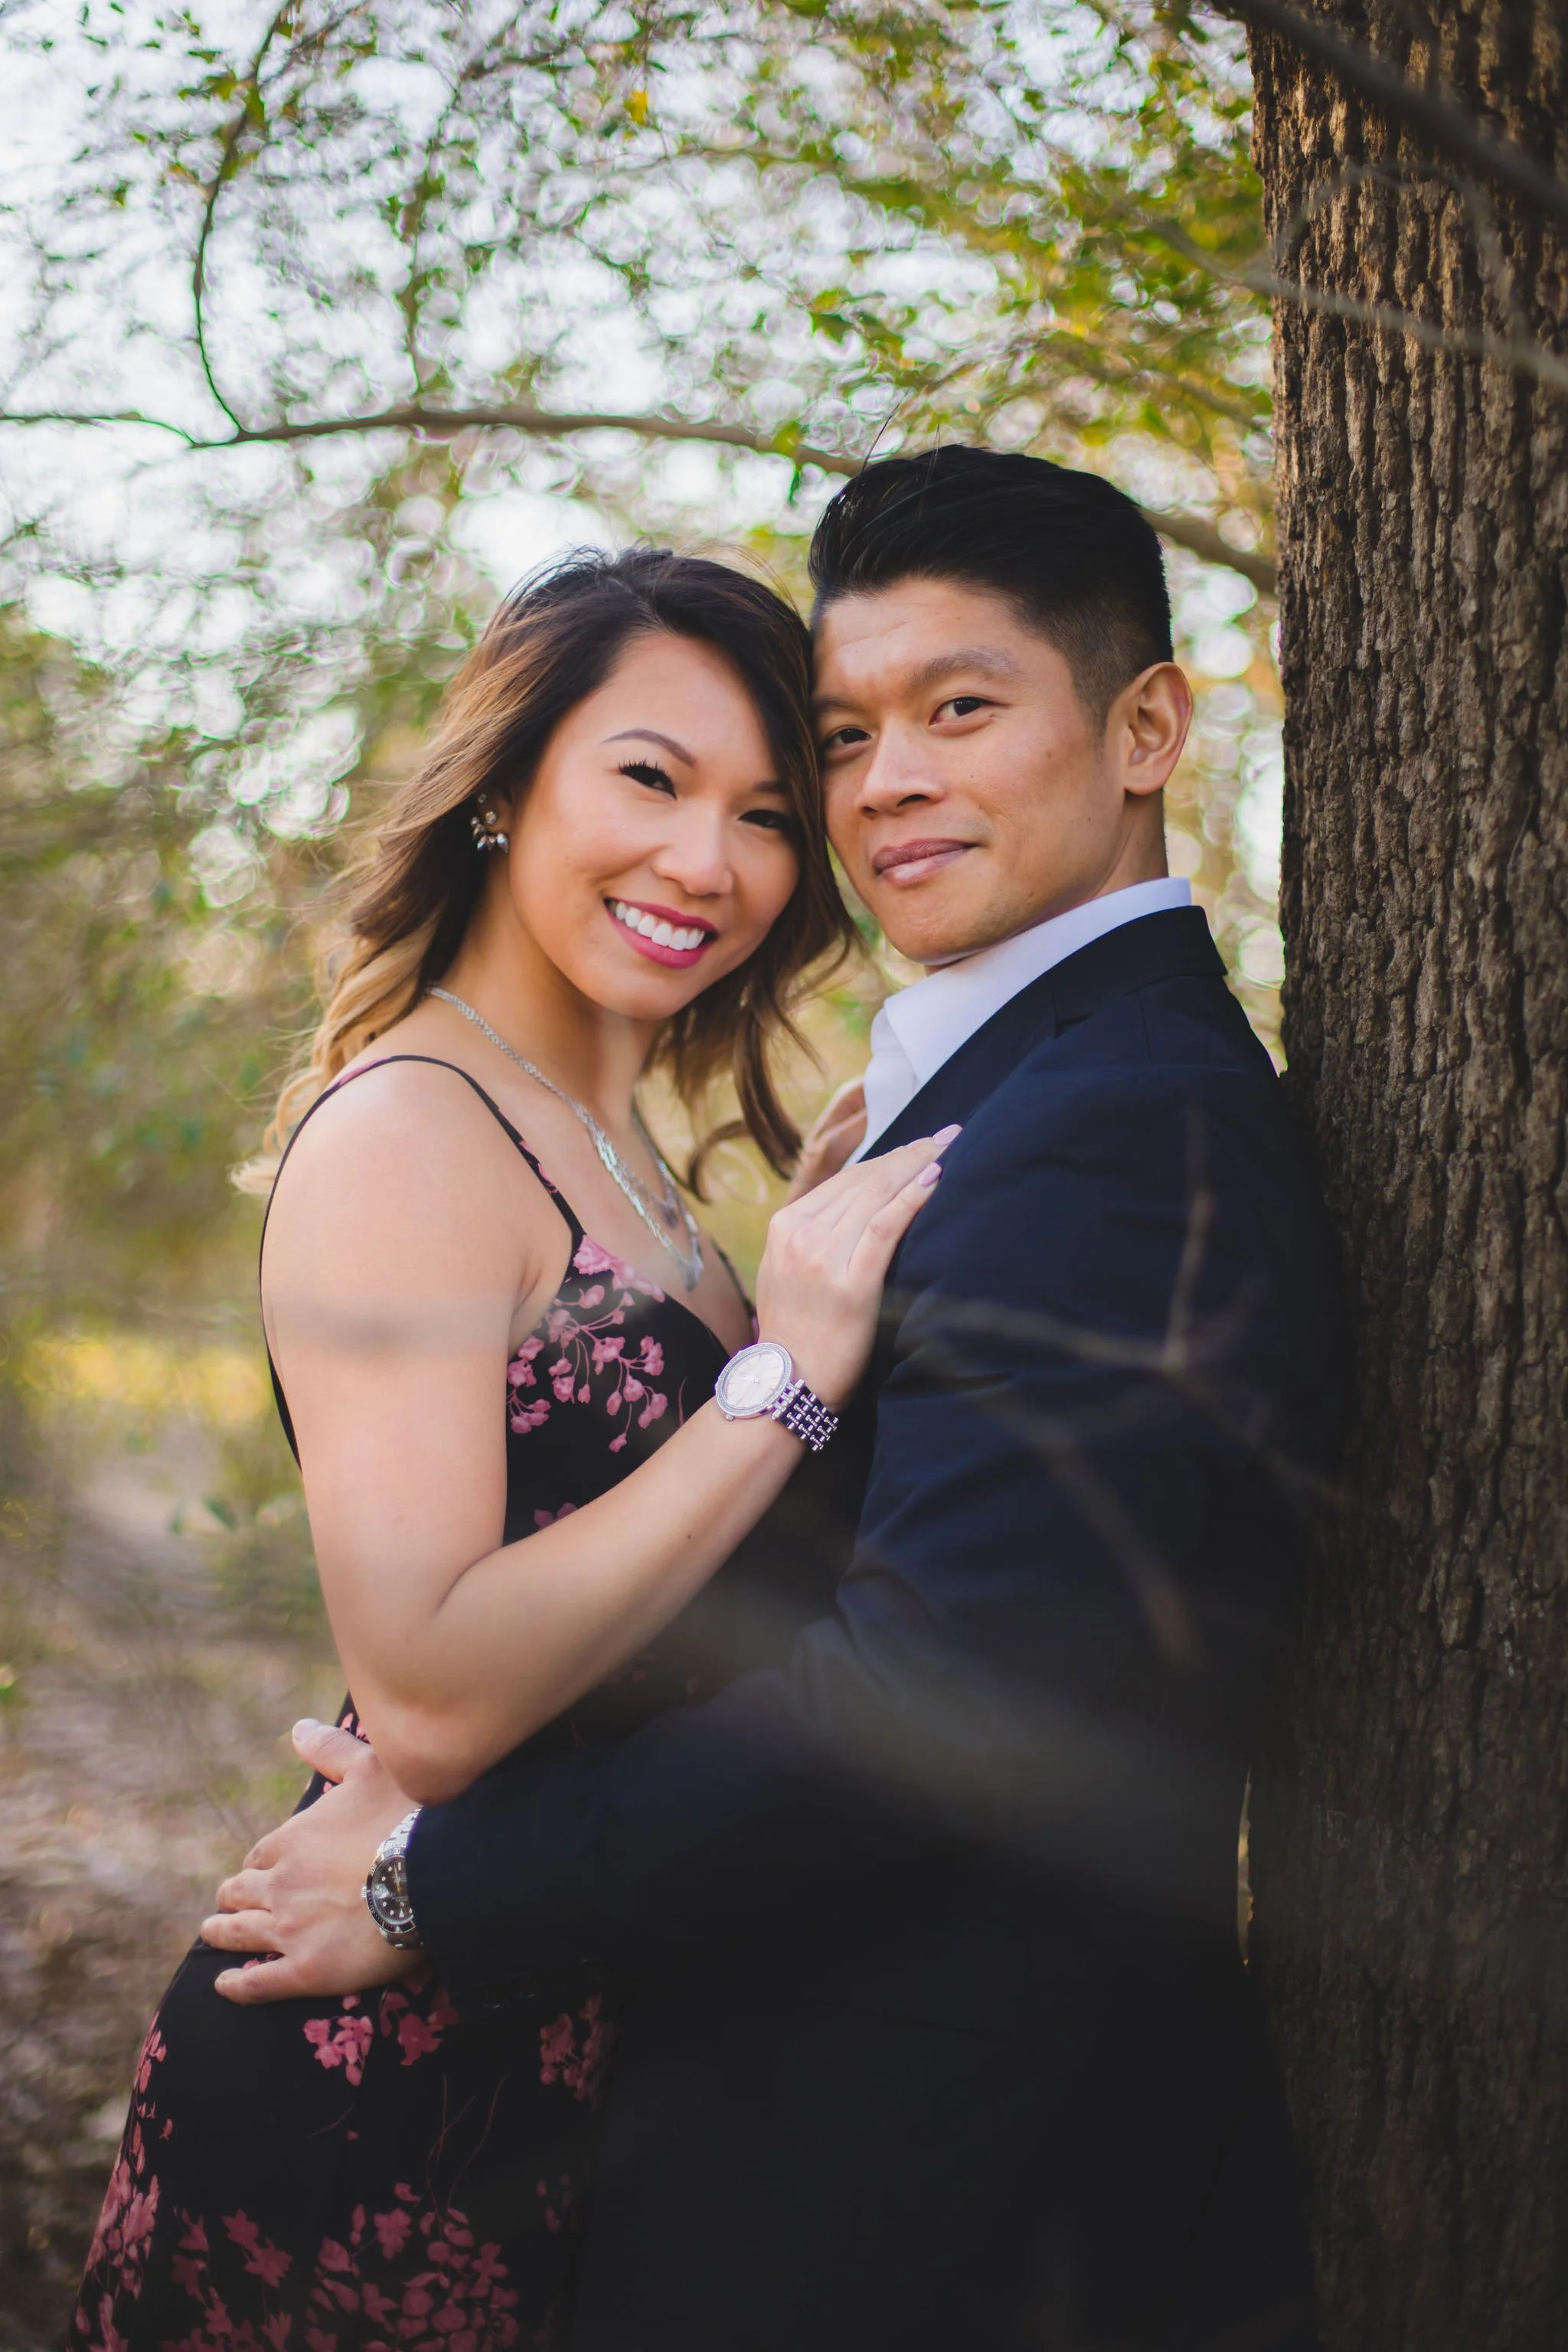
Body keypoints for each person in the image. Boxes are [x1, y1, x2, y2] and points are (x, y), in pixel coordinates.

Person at [198, 449, 1349, 2351]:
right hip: (694, 2089)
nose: (879, 781)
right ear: (504, 793)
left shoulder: (1113, 1125)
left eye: (958, 709)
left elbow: (935, 1702)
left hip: (923, 2164)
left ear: (1147, 727)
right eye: (844, 734)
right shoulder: (996, 1099)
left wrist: (433, 1890)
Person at [68, 547, 959, 2352]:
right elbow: (438, 1698)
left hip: (564, 2023)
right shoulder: (414, 1129)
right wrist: (783, 1375)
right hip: (373, 2096)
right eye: (650, 776)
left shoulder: (618, 1153)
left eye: (769, 814)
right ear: (500, 785)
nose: (706, 862)